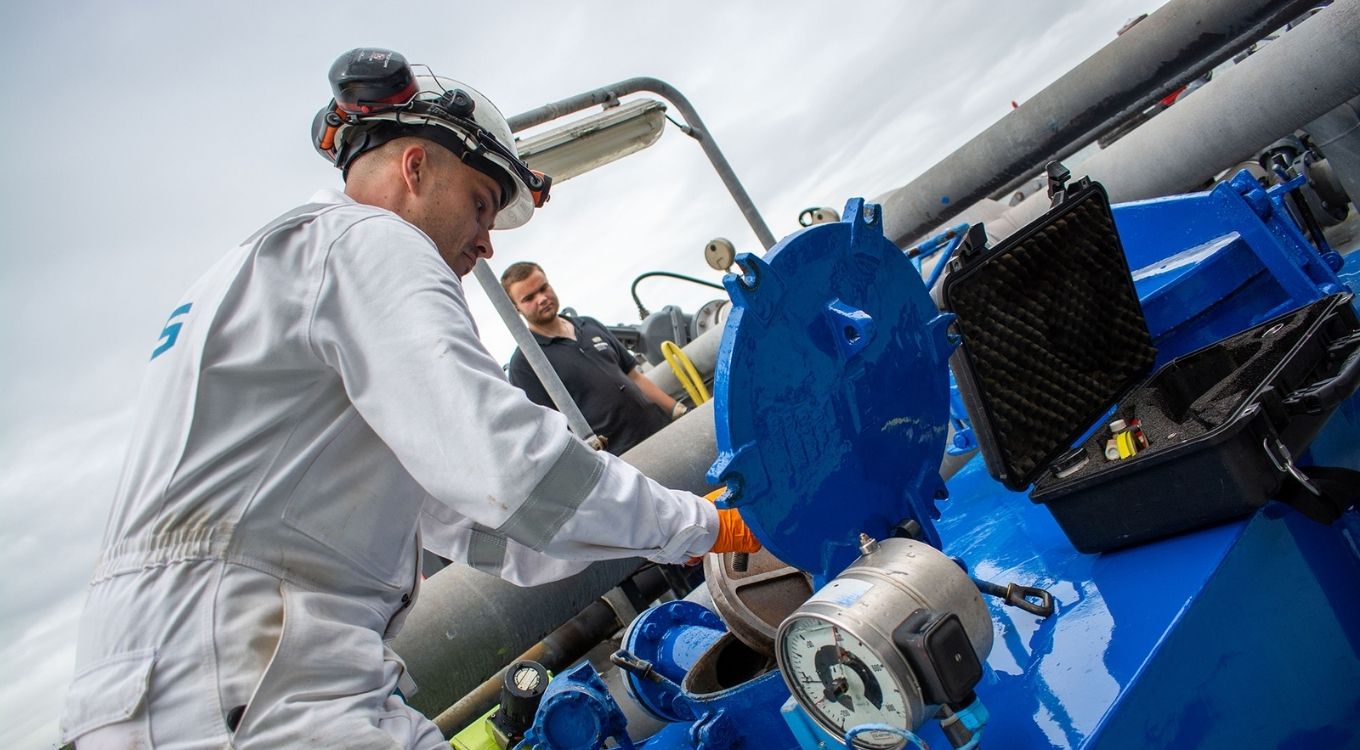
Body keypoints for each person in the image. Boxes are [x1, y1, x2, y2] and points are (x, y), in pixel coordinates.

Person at [60, 48, 759, 749]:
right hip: (249, 682)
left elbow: (466, 513)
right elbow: (510, 466)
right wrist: (704, 527)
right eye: (481, 204)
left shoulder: (264, 270)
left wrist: (634, 532)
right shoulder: (369, 242)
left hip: (177, 684)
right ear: (416, 167)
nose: (486, 242)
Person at [502, 262, 685, 455]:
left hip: (661, 430)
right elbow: (549, 431)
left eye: (543, 288)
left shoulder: (589, 325)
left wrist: (677, 410)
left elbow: (635, 377)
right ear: (516, 308)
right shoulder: (525, 364)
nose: (542, 298)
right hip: (622, 459)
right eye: (529, 298)